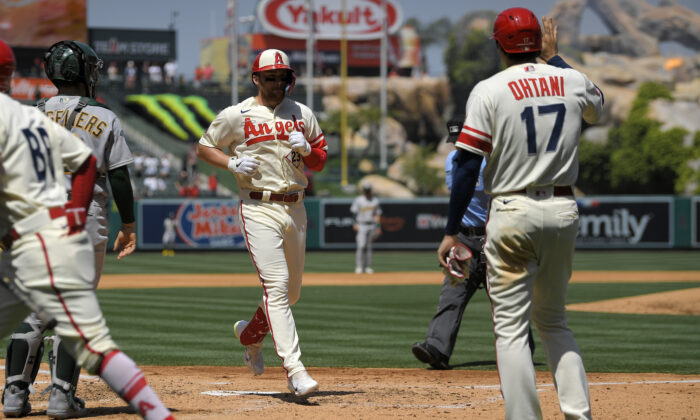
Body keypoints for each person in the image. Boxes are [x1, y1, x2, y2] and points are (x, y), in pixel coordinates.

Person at [437, 11, 603, 419]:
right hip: (563, 209)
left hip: (512, 209)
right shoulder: (572, 79)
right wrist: (557, 58)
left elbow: (466, 166)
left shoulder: (489, 89)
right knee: (554, 322)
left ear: (499, 45)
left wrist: (452, 229)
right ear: (539, 43)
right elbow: (597, 109)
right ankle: (578, 414)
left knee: (510, 329)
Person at [0, 41, 173, 420]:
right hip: (83, 216)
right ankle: (61, 398)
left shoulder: (29, 113)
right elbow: (120, 177)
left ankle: (14, 395)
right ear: (86, 73)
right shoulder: (104, 116)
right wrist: (127, 224)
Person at [196, 48, 327, 397]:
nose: (277, 83)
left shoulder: (303, 114)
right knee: (278, 287)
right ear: (256, 78)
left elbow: (321, 161)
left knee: (291, 293)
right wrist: (231, 164)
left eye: (282, 77)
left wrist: (311, 151)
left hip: (296, 207)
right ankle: (295, 371)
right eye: (269, 77)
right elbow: (204, 147)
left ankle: (249, 337)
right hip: (258, 206)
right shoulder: (236, 114)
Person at [413, 116, 535, 370]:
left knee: (505, 297)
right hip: (466, 237)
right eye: (456, 142)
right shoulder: (456, 161)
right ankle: (436, 348)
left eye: (463, 141)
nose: (459, 147)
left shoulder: (486, 162)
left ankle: (522, 351)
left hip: (497, 236)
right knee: (452, 292)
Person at [350, 182, 382, 274]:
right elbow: (354, 212)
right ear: (363, 191)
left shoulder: (375, 201)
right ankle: (359, 267)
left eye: (368, 190)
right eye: (366, 190)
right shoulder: (359, 200)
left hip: (372, 224)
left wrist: (378, 226)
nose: (367, 192)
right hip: (361, 225)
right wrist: (354, 223)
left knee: (369, 247)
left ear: (370, 190)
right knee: (361, 246)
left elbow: (377, 214)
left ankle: (367, 267)